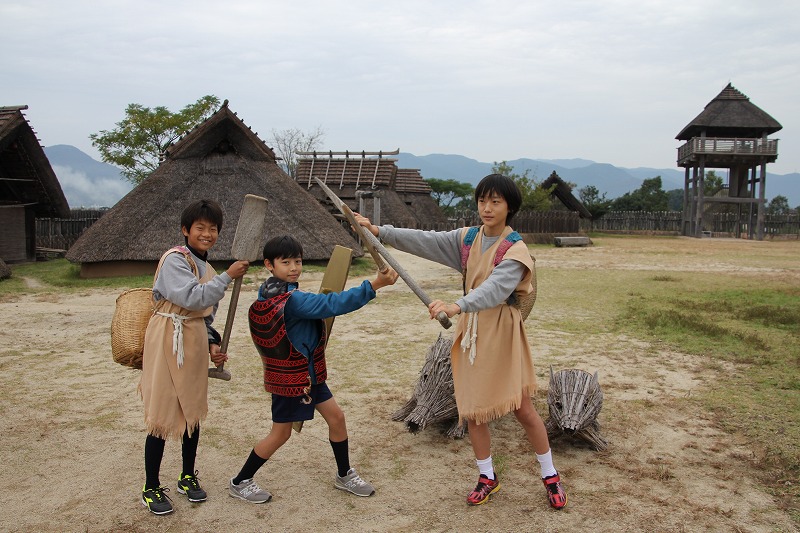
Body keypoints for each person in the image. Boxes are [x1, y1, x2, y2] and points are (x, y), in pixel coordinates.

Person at [355, 173, 568, 509]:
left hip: (502, 330)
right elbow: (426, 240)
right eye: (483, 200)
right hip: (471, 333)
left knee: (523, 408)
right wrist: (380, 231)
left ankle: (550, 475)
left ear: (509, 206)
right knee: (474, 411)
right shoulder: (468, 240)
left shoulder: (516, 249)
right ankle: (487, 477)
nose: (487, 207)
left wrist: (457, 305)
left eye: (495, 201)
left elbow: (495, 289)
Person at [228, 234, 399, 504]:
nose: (294, 267)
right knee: (280, 433)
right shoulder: (292, 301)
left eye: (297, 260)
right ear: (269, 265)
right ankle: (240, 481)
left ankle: (344, 474)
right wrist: (375, 284)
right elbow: (331, 305)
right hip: (292, 380)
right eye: (286, 262)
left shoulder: (272, 294)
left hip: (309, 375)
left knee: (337, 418)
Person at [139, 199, 249, 515]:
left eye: (213, 228)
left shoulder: (208, 267)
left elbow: (205, 314)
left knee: (192, 410)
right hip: (167, 339)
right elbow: (191, 297)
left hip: (194, 338)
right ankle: (150, 487)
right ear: (186, 230)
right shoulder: (175, 260)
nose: (207, 233)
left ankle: (187, 476)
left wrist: (213, 345)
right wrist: (228, 276)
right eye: (200, 227)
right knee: (161, 413)